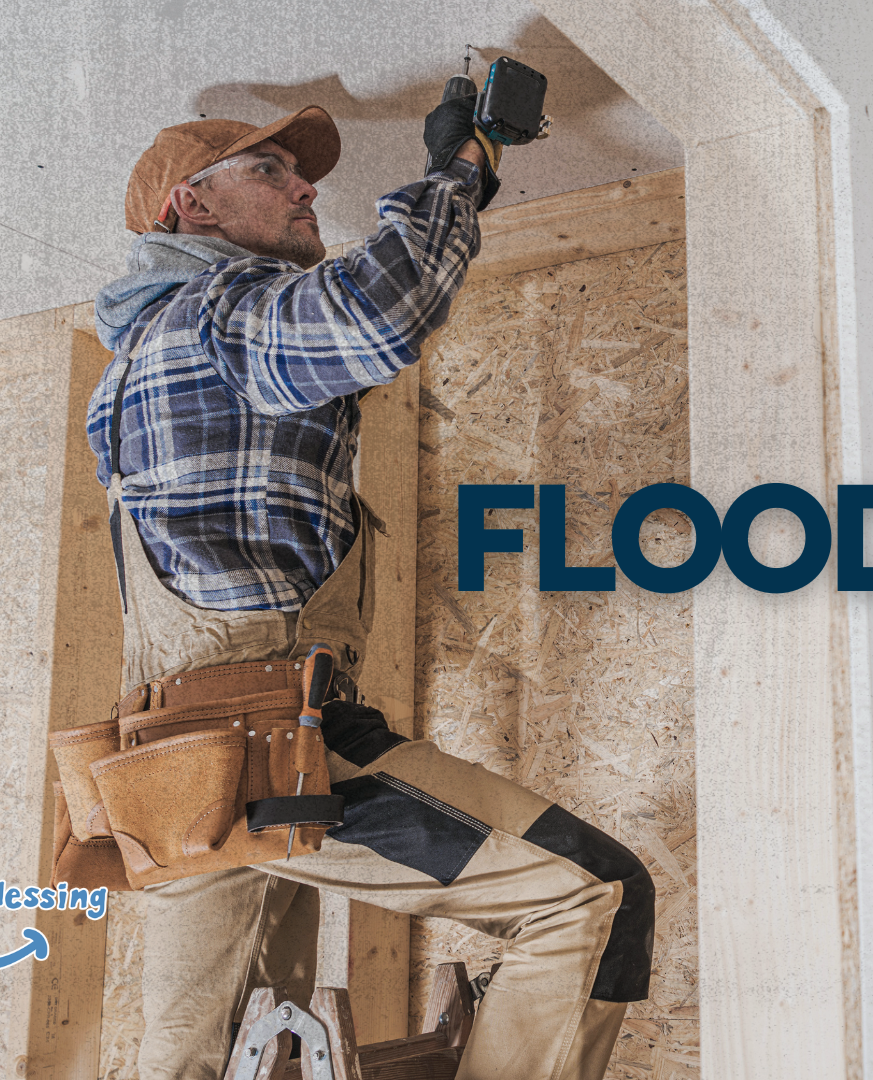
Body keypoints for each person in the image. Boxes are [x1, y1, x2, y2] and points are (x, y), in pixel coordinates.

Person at [85, 99, 651, 1080]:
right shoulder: (218, 314)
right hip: (265, 749)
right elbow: (374, 311)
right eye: (271, 172)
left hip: (172, 780)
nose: (307, 188)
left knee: (207, 1067)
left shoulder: (141, 360)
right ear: (194, 208)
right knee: (590, 896)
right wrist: (460, 168)